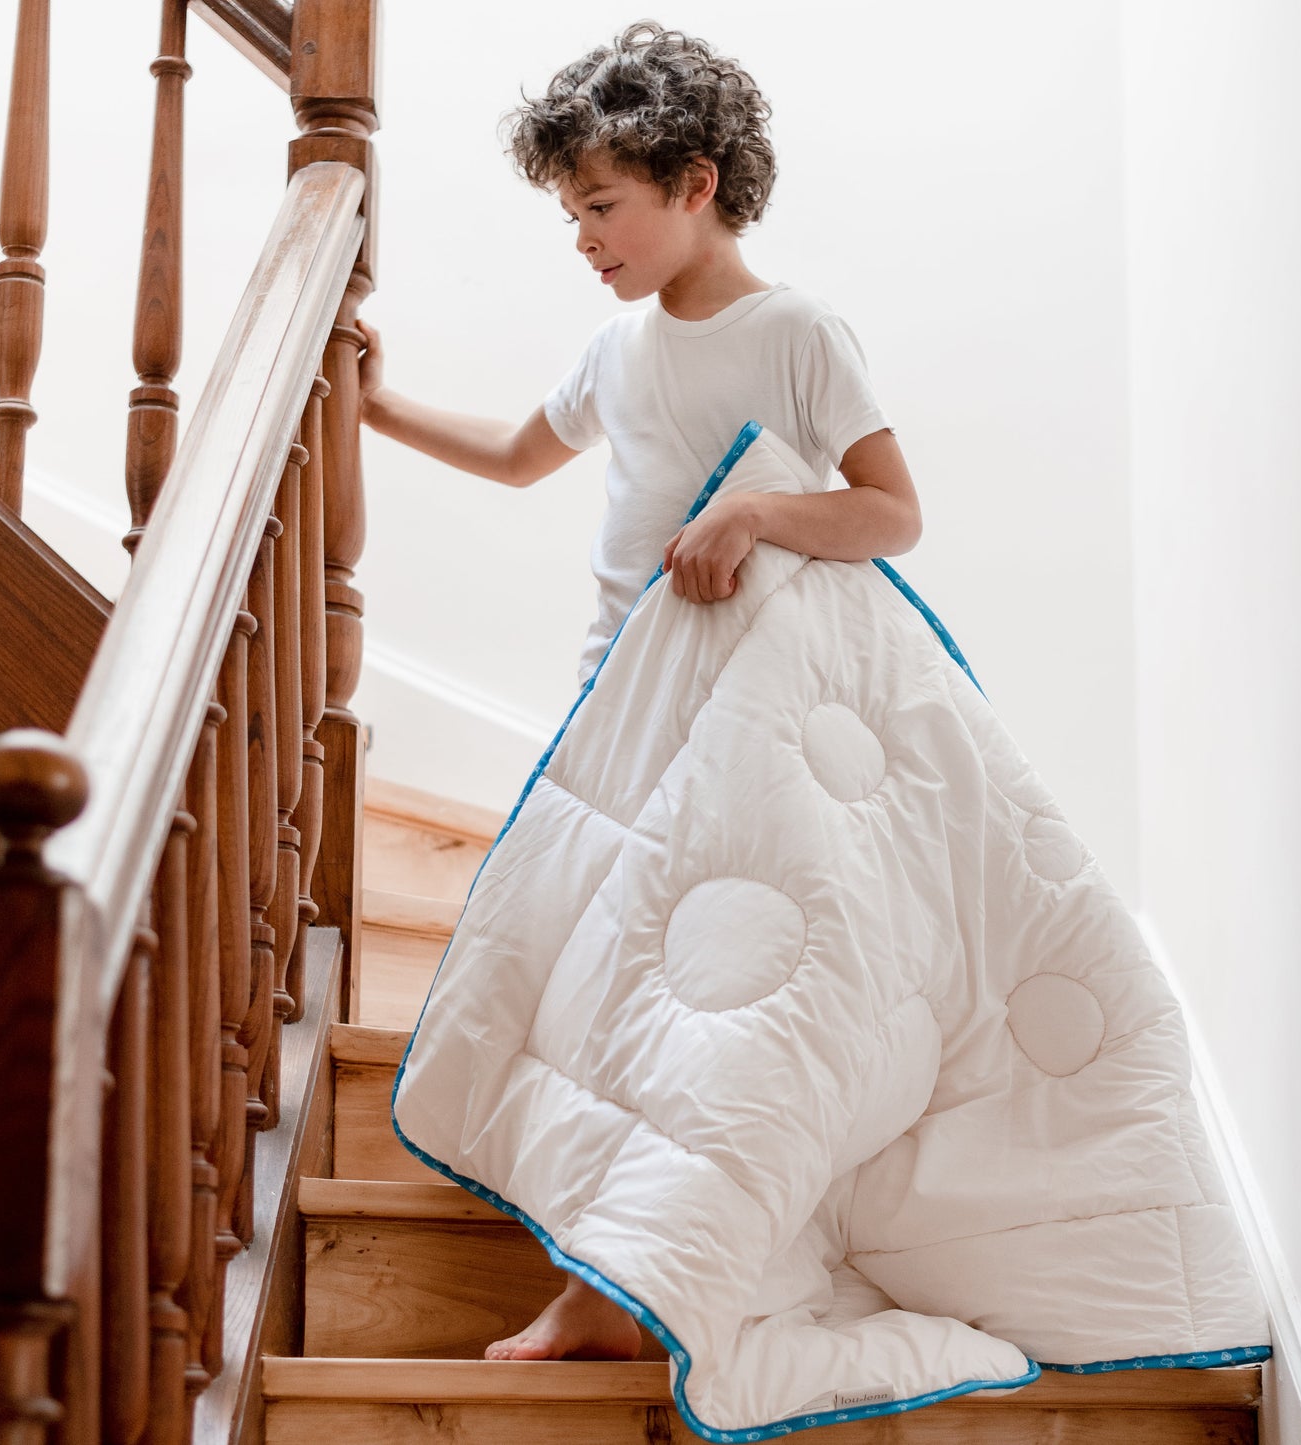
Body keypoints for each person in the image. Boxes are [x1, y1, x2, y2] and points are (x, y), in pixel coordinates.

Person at [359, 19, 923, 1360]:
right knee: (583, 989)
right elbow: (512, 456)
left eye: (600, 205)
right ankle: (604, 1276)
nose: (581, 238)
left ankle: (622, 1288)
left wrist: (764, 514)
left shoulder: (795, 332)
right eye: (569, 211)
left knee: (687, 998)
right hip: (614, 712)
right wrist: (374, 408)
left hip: (747, 729)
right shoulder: (615, 353)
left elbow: (890, 514)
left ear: (696, 184)